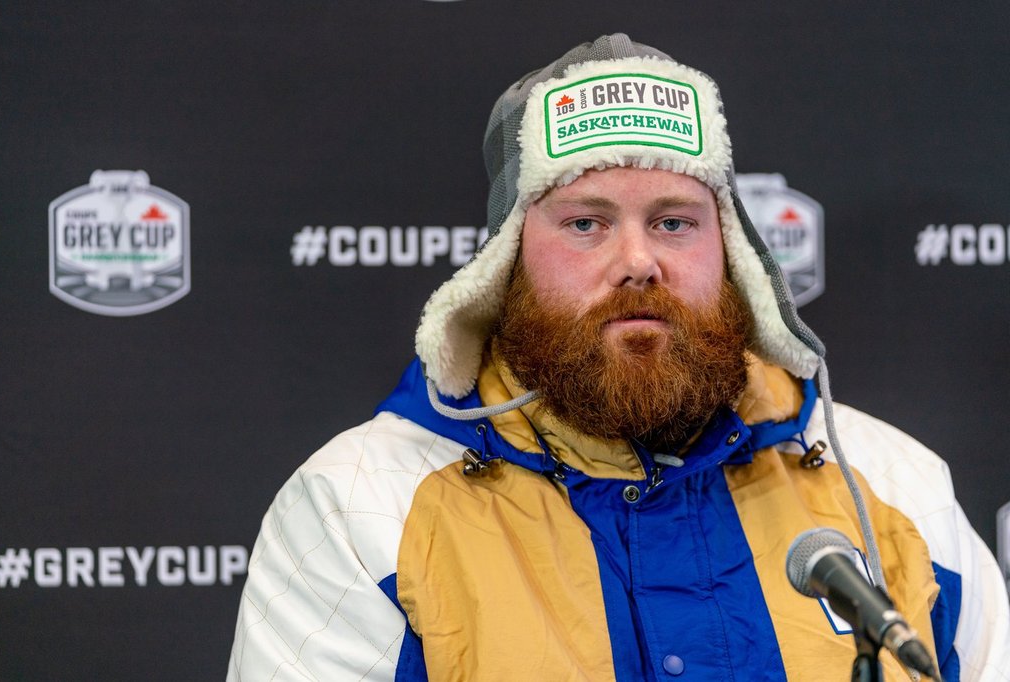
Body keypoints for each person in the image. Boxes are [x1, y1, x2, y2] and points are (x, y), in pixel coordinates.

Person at [228, 34, 1009, 681]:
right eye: (585, 224)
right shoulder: (361, 505)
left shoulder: (897, 487)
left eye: (674, 222)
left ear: (733, 254)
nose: (638, 261)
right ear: (506, 263)